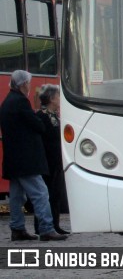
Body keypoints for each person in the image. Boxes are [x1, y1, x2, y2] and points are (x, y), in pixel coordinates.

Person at [0, 70, 67, 241]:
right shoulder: (21, 102)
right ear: (23, 84)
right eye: (28, 83)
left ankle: (17, 228)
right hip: (26, 159)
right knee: (41, 193)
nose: (30, 86)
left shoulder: (7, 102)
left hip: (13, 159)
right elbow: (38, 126)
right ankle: (46, 228)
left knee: (16, 196)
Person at [35, 84, 69, 235]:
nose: (59, 99)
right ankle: (42, 225)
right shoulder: (41, 116)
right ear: (50, 99)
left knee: (56, 194)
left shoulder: (56, 115)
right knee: (45, 194)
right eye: (57, 96)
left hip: (56, 160)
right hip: (46, 161)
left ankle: (55, 223)